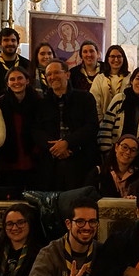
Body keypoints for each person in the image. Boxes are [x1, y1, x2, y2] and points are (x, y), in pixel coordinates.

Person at [34, 59, 99, 190]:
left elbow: (91, 127)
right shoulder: (41, 104)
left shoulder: (85, 98)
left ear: (67, 75)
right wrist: (56, 148)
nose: (52, 77)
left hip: (81, 160)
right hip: (50, 164)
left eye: (56, 72)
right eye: (49, 75)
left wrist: (67, 143)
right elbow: (36, 131)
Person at [98, 65, 139, 155]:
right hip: (114, 153)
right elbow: (106, 128)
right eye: (138, 79)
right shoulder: (119, 99)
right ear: (132, 81)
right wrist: (107, 153)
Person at [0, 67, 40, 191]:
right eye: (12, 79)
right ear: (7, 84)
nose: (16, 82)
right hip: (8, 159)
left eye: (20, 78)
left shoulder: (39, 101)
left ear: (27, 81)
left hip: (33, 156)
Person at [0, 28, 31, 94]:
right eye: (6, 40)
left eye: (13, 40)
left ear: (18, 43)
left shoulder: (27, 65)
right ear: (0, 43)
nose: (10, 43)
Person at [90, 44, 131, 121]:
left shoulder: (130, 78)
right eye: (112, 56)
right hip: (104, 122)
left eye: (119, 56)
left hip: (124, 122)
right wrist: (101, 121)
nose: (116, 60)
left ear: (123, 59)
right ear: (107, 59)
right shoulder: (100, 78)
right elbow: (94, 102)